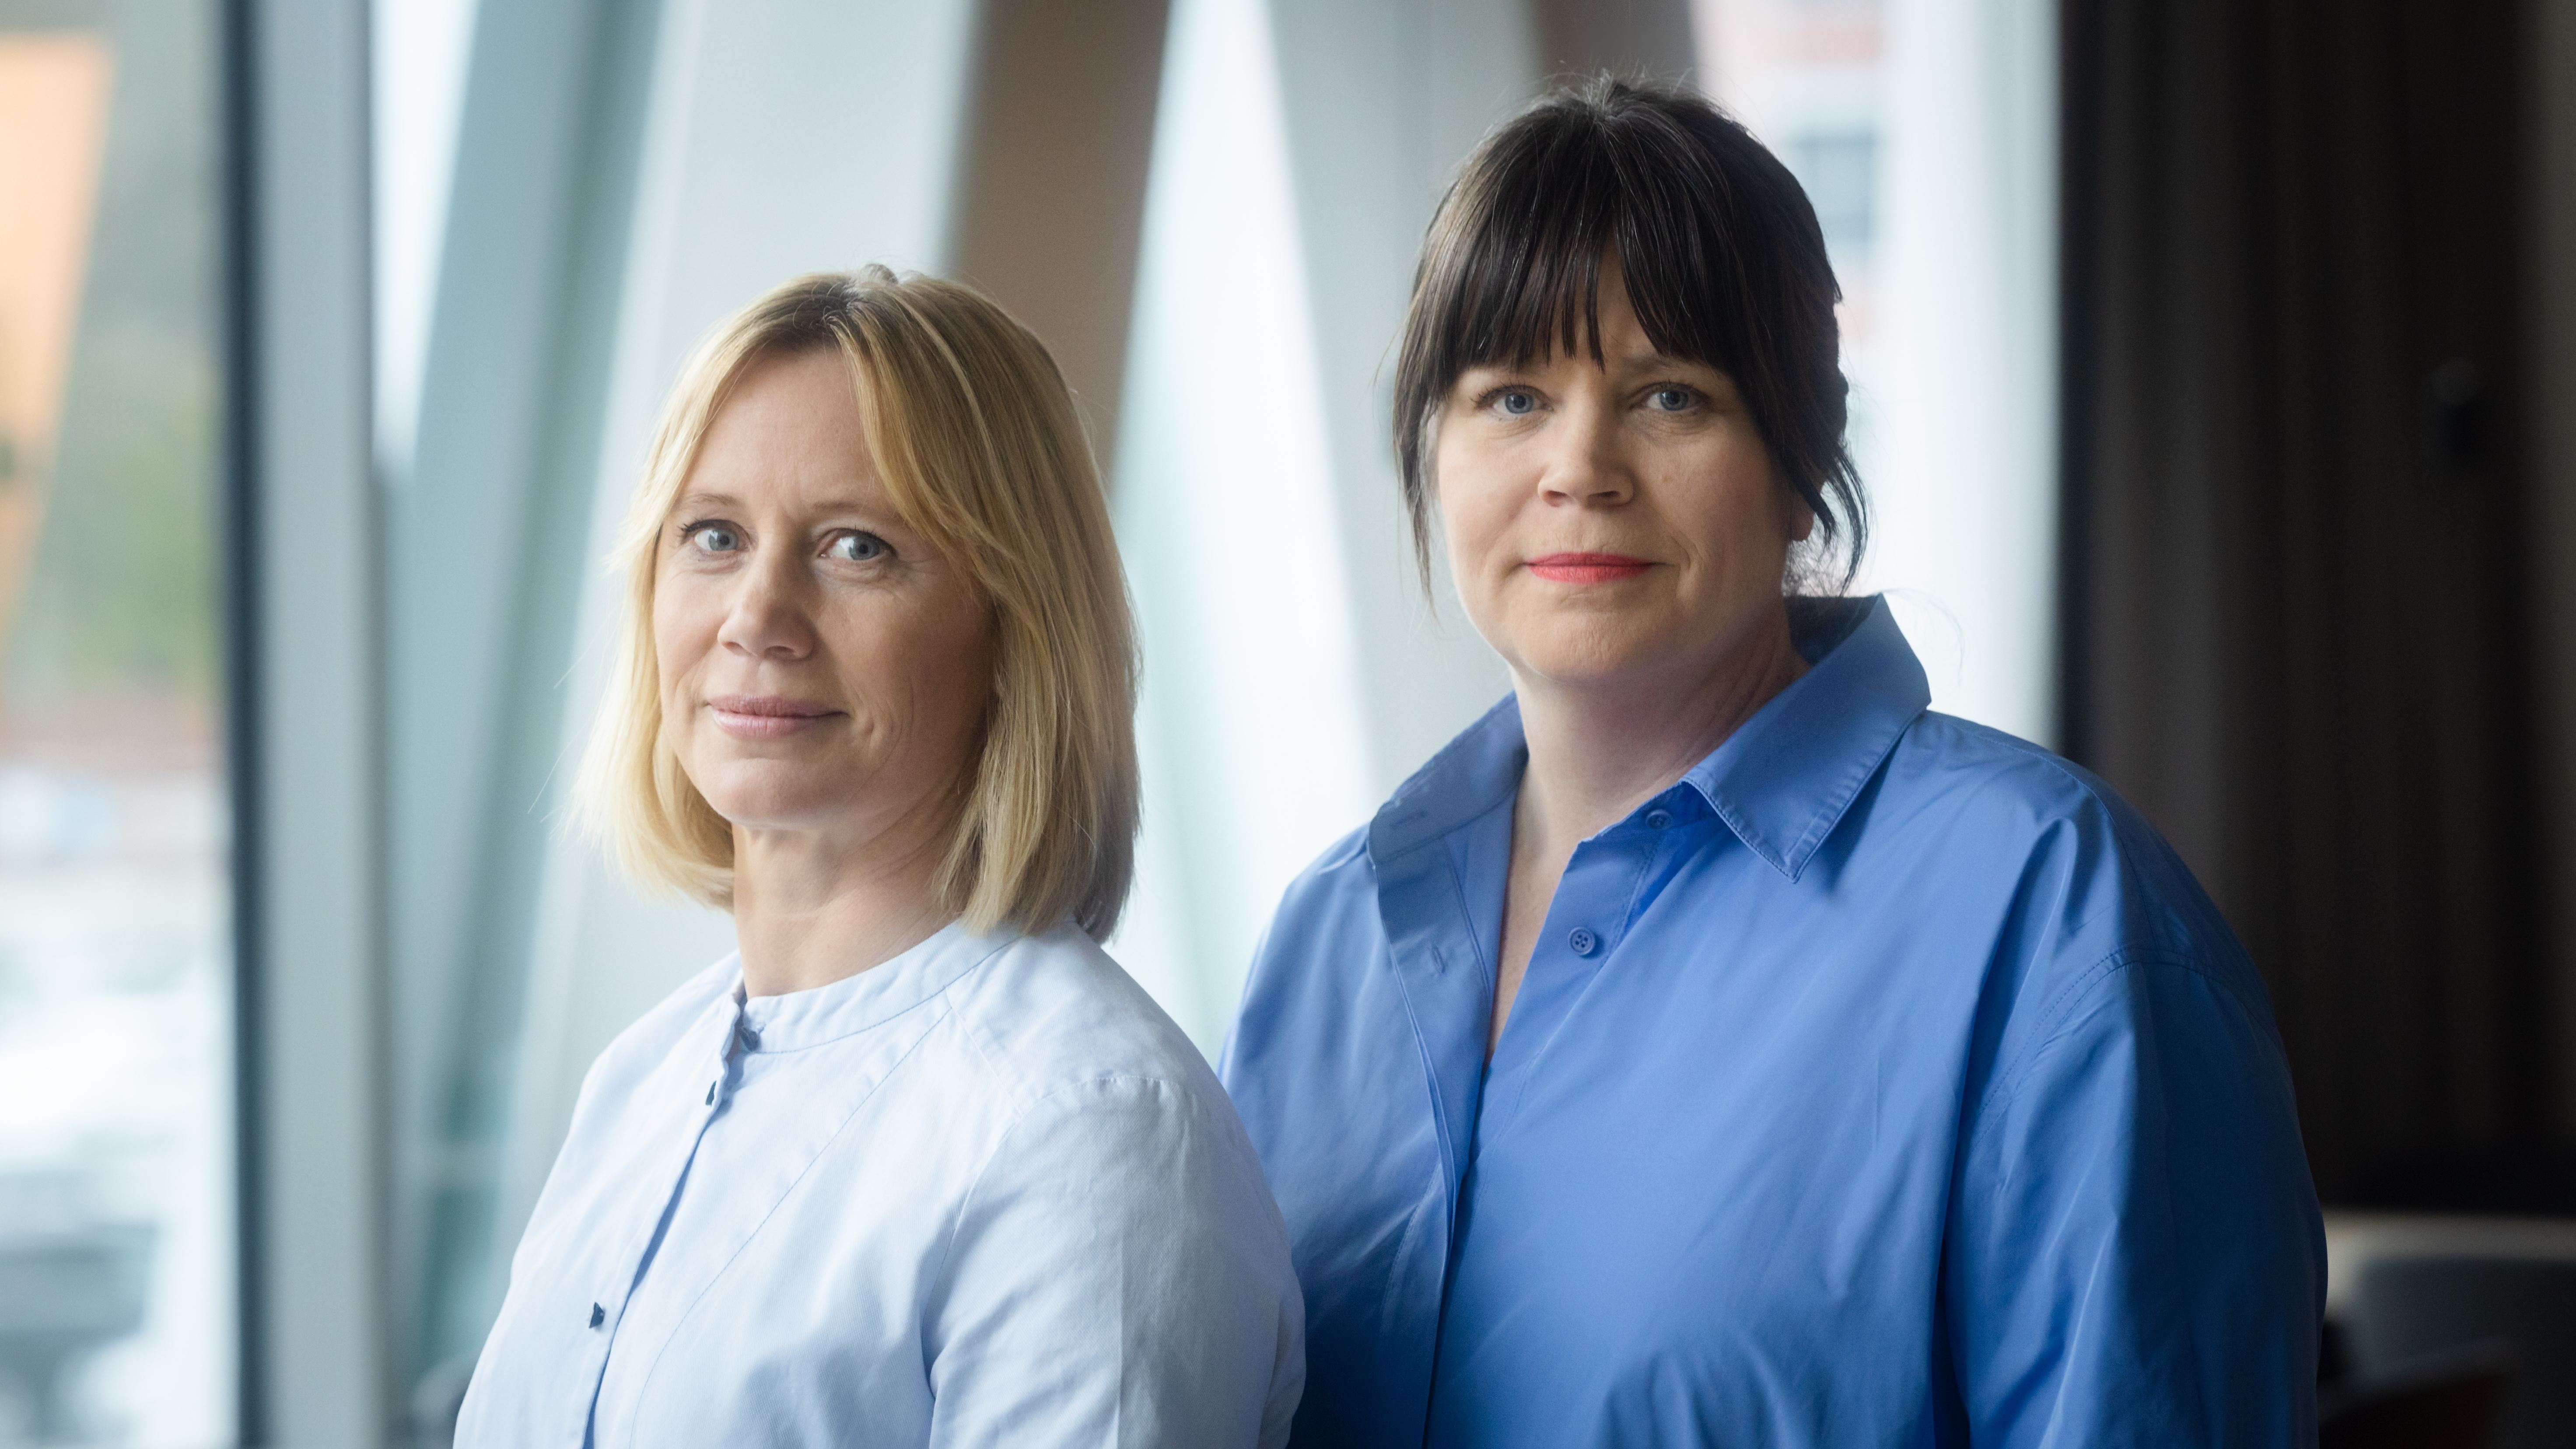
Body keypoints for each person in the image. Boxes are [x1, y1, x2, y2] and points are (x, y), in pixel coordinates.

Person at [1219, 77, 2321, 1447]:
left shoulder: (2056, 922)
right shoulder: (1328, 941)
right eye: (1510, 396)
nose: (1581, 466)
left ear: (1802, 457)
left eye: (1671, 395)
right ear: (1431, 450)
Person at [457, 268, 1303, 1448]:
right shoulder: (638, 1082)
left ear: (1017, 633)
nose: (757, 613)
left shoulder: (1089, 1136)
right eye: (714, 536)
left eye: (858, 548)